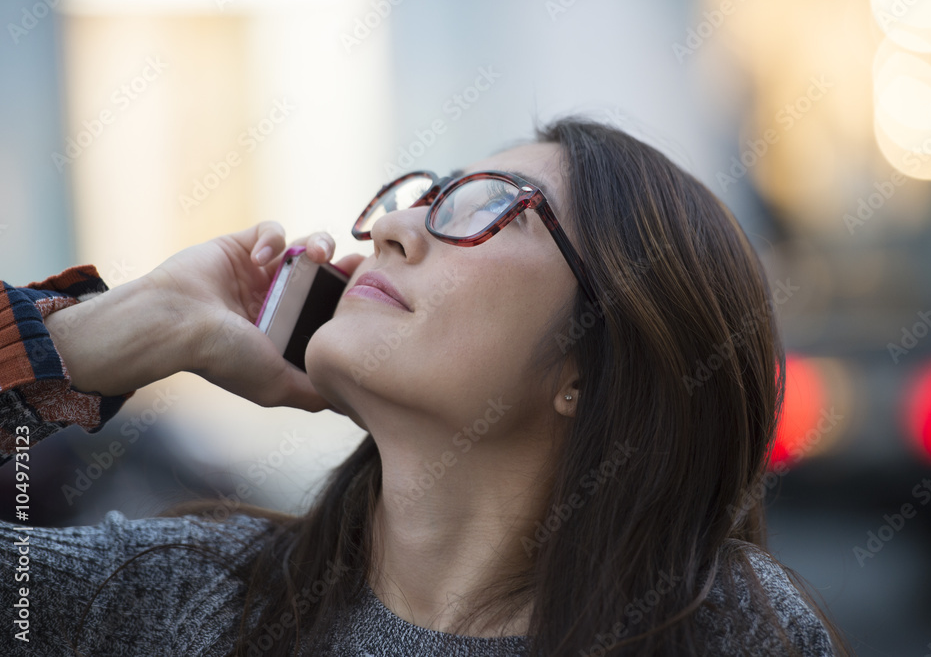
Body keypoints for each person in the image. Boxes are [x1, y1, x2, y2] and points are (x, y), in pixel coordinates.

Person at [0, 118, 851, 656]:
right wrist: (105, 332)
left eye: (484, 207)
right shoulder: (179, 598)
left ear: (590, 366)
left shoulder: (721, 631)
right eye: (422, 195)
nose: (396, 228)